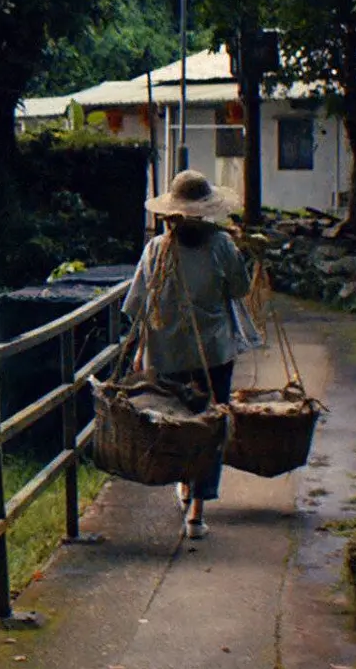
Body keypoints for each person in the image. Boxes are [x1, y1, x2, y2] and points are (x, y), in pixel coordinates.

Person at [122, 169, 251, 540]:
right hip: (214, 354)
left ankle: (183, 483)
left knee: (177, 425)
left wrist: (141, 348)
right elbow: (240, 289)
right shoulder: (222, 246)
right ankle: (196, 510)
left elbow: (136, 304)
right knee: (211, 425)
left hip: (168, 354)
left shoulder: (156, 249)